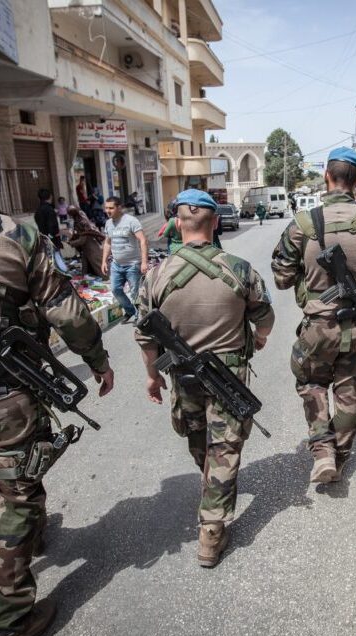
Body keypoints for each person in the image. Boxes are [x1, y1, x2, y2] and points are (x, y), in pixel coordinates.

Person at [0, 150, 115, 636]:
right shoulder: (7, 232)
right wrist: (98, 359)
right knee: (15, 498)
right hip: (4, 393)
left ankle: (24, 534)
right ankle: (6, 623)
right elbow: (67, 310)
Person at [134, 189, 275, 567]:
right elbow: (265, 318)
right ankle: (212, 529)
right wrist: (258, 338)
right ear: (214, 223)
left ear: (178, 224)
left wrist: (152, 377)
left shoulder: (155, 276)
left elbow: (145, 336)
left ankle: (212, 509)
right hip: (228, 376)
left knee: (201, 440)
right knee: (223, 448)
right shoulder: (240, 269)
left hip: (183, 377)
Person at [271, 146, 356, 483]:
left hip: (318, 328)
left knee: (312, 384)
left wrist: (306, 277)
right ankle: (339, 457)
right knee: (349, 391)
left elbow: (282, 279)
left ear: (327, 176)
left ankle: (322, 449)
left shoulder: (302, 224)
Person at [101, 196, 148, 324]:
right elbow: (107, 243)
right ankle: (130, 311)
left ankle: (140, 316)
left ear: (119, 207)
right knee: (116, 289)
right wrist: (104, 261)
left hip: (133, 264)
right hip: (116, 265)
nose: (108, 211)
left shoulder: (131, 221)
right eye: (106, 208)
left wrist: (144, 262)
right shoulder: (108, 223)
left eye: (111, 208)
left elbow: (142, 240)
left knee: (135, 293)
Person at [33, 188, 68, 273]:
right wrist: (53, 238)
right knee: (57, 260)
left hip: (44, 238)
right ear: (50, 197)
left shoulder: (37, 211)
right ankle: (63, 275)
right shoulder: (49, 210)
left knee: (50, 260)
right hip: (52, 239)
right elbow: (52, 226)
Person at [68, 205, 106, 277]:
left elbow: (82, 240)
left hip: (91, 249)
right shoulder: (81, 217)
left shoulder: (81, 222)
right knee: (87, 270)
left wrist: (71, 243)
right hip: (88, 249)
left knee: (100, 270)